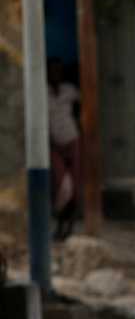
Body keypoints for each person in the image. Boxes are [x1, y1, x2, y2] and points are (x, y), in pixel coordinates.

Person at [46, 59, 80, 239]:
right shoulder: (42, 92)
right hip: (54, 144)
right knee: (61, 186)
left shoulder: (69, 90)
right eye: (52, 71)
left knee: (74, 186)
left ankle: (68, 227)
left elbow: (86, 103)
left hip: (72, 139)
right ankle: (59, 224)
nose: (56, 74)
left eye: (59, 70)